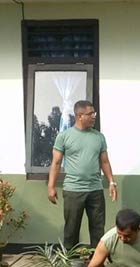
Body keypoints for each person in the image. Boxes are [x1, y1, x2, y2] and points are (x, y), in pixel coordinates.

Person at [48, 100, 117, 249]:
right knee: (71, 229)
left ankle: (96, 264)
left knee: (98, 229)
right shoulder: (64, 136)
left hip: (95, 189)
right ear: (79, 116)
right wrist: (51, 186)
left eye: (94, 113)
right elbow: (56, 162)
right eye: (90, 114)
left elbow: (104, 162)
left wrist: (111, 182)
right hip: (73, 190)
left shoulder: (99, 137)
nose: (94, 116)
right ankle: (69, 264)